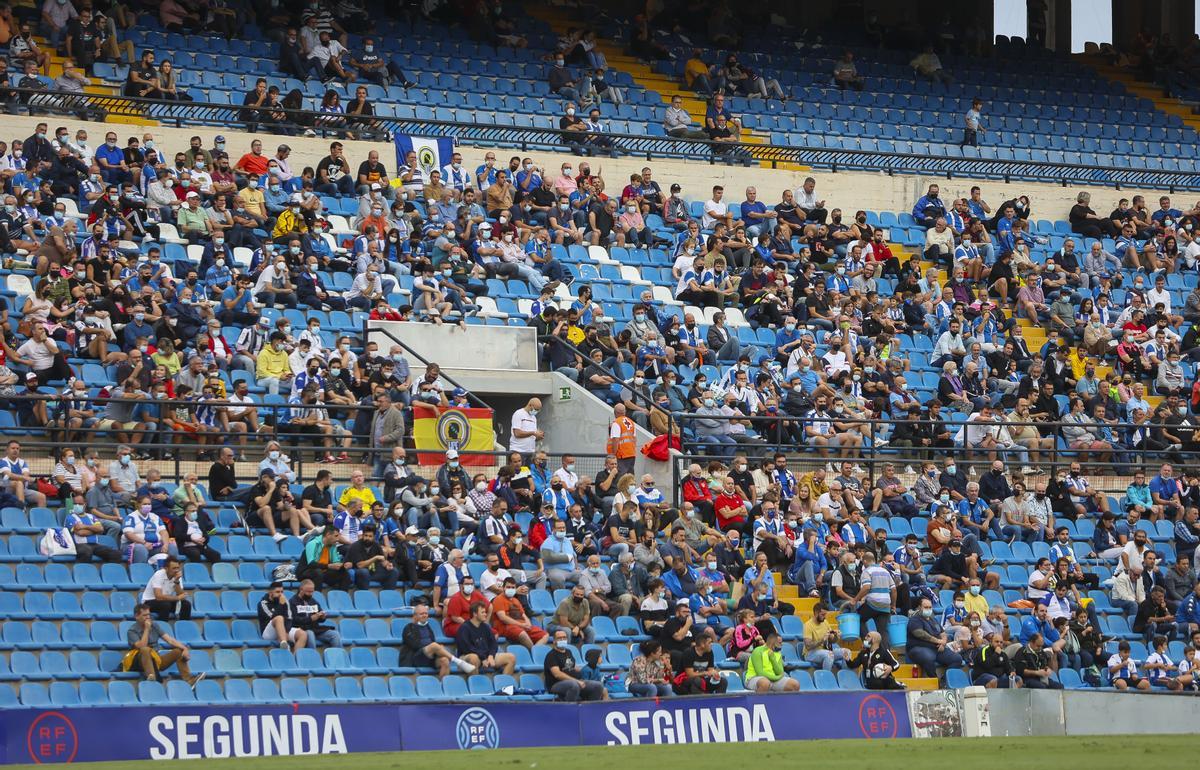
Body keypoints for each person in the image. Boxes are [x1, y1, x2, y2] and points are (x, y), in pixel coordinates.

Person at [123, 603, 203, 686]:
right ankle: (152, 679)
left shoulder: (154, 625)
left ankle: (189, 680)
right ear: (136, 616)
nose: (148, 617)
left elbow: (170, 640)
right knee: (145, 649)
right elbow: (142, 646)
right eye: (144, 615)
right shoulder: (132, 631)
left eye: (149, 615)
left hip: (156, 659)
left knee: (178, 651)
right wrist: (147, 629)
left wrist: (184, 648)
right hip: (139, 662)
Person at [401, 602, 476, 678]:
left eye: (426, 613)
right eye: (421, 614)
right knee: (434, 646)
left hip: (429, 657)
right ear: (414, 616)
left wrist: (438, 648)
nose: (424, 615)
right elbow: (415, 645)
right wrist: (434, 647)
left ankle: (443, 686)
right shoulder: (409, 628)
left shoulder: (428, 627)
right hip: (414, 658)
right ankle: (458, 661)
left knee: (445, 661)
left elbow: (432, 642)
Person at [906, 596, 964, 678]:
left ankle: (944, 679)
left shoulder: (933, 619)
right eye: (926, 607)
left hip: (937, 648)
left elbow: (943, 633)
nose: (928, 609)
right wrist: (938, 641)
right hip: (919, 648)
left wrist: (943, 642)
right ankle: (934, 680)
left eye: (930, 607)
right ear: (919, 607)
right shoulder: (915, 619)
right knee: (929, 657)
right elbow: (919, 633)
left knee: (957, 659)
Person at [545, 628, 607, 701]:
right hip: (556, 684)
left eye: (564, 638)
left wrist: (586, 669)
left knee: (598, 685)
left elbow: (571, 667)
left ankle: (590, 709)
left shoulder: (568, 652)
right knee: (574, 686)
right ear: (554, 641)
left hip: (575, 681)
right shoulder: (551, 655)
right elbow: (557, 674)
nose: (562, 640)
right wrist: (577, 681)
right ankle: (570, 709)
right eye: (559, 638)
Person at [455, 601, 516, 674]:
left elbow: (493, 644)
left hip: (485, 655)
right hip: (468, 656)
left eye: (485, 612)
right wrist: (483, 658)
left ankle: (504, 684)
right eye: (483, 612)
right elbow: (467, 648)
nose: (485, 614)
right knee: (473, 658)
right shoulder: (464, 628)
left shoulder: (486, 627)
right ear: (475, 614)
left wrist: (491, 656)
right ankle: (475, 683)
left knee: (511, 658)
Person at [288, 579, 342, 647]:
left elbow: (320, 617)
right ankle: (312, 656)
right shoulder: (292, 602)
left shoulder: (313, 601)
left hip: (315, 629)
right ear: (301, 589)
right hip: (300, 629)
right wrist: (310, 619)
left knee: (335, 635)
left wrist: (322, 617)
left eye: (312, 592)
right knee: (310, 634)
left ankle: (338, 656)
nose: (310, 594)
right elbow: (294, 620)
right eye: (308, 592)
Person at [257, 580, 307, 650]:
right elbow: (272, 617)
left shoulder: (285, 601)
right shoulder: (263, 603)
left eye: (282, 592)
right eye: (277, 592)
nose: (280, 594)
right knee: (279, 618)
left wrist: (286, 631)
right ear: (270, 592)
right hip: (269, 633)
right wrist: (281, 605)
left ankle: (294, 657)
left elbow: (289, 618)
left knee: (303, 634)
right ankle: (284, 643)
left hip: (283, 630)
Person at [803, 602, 853, 671]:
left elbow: (831, 640)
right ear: (816, 613)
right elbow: (808, 646)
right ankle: (826, 678)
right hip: (810, 653)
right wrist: (821, 641)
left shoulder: (825, 622)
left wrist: (836, 636)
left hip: (825, 651)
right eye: (823, 615)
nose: (825, 617)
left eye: (825, 614)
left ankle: (843, 677)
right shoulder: (807, 625)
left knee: (847, 652)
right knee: (829, 654)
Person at [141, 556, 190, 621]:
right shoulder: (159, 574)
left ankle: (183, 626)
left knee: (186, 604)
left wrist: (176, 581)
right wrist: (177, 598)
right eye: (174, 568)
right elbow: (158, 597)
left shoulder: (177, 575)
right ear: (166, 568)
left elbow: (181, 594)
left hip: (166, 601)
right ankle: (164, 626)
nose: (176, 570)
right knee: (166, 605)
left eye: (178, 568)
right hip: (149, 602)